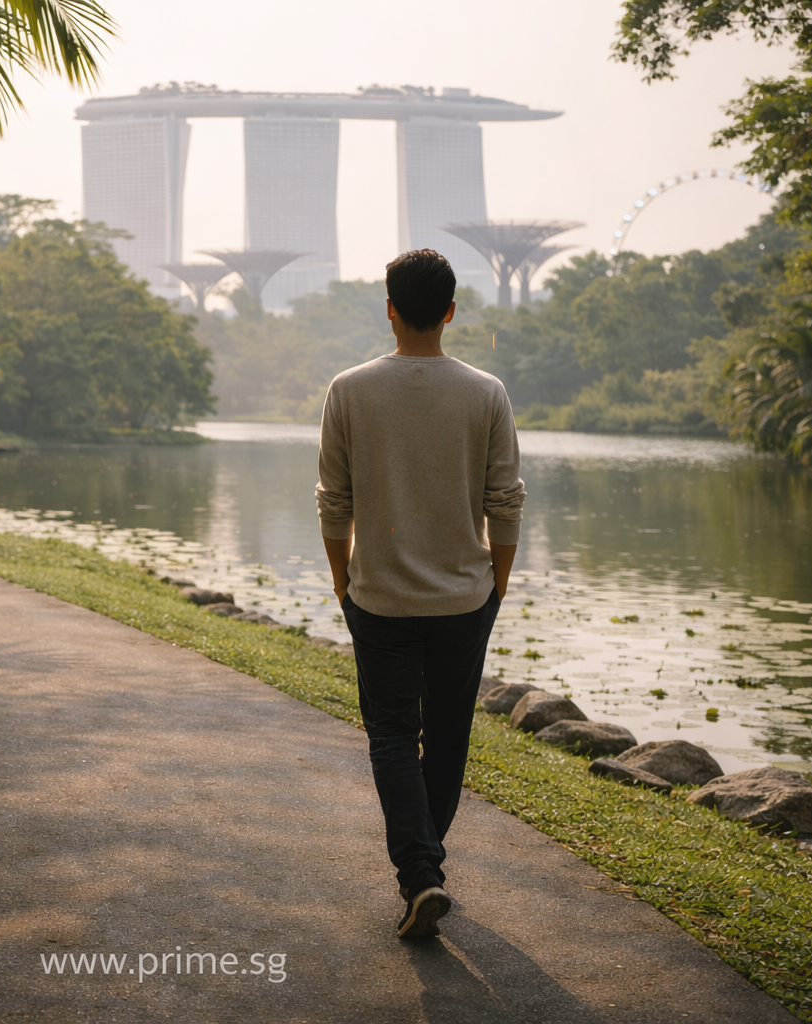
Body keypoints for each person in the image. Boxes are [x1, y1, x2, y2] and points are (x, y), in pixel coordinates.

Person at [316, 248, 525, 940]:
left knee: (392, 734)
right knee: (450, 733)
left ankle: (421, 874)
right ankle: (423, 868)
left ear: (390, 309)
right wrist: (495, 582)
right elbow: (506, 501)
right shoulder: (486, 392)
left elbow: (333, 502)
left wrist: (344, 582)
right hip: (465, 597)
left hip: (378, 599)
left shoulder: (348, 389)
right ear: (451, 312)